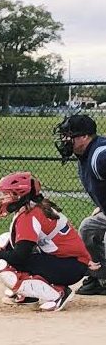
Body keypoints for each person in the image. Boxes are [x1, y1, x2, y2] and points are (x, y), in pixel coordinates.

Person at [0, 172, 98, 311]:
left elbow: (19, 257)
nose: (1, 198)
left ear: (19, 195)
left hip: (70, 266)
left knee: (4, 267)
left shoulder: (29, 215)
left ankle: (58, 294)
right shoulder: (35, 206)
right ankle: (28, 295)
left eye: (6, 194)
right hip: (71, 261)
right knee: (5, 241)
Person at [54, 114, 106, 295]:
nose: (65, 140)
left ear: (84, 136)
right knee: (89, 228)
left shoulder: (100, 155)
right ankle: (101, 278)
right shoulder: (85, 155)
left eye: (69, 135)